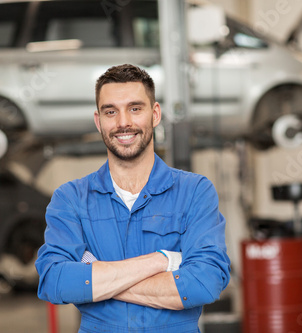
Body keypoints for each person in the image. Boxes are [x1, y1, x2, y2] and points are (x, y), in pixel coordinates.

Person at [35, 64, 231, 332]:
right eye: (111, 111)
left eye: (135, 108)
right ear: (98, 121)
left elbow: (204, 284)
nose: (123, 122)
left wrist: (97, 278)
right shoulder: (71, 199)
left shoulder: (194, 192)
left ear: (155, 114)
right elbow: (55, 282)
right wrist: (162, 260)